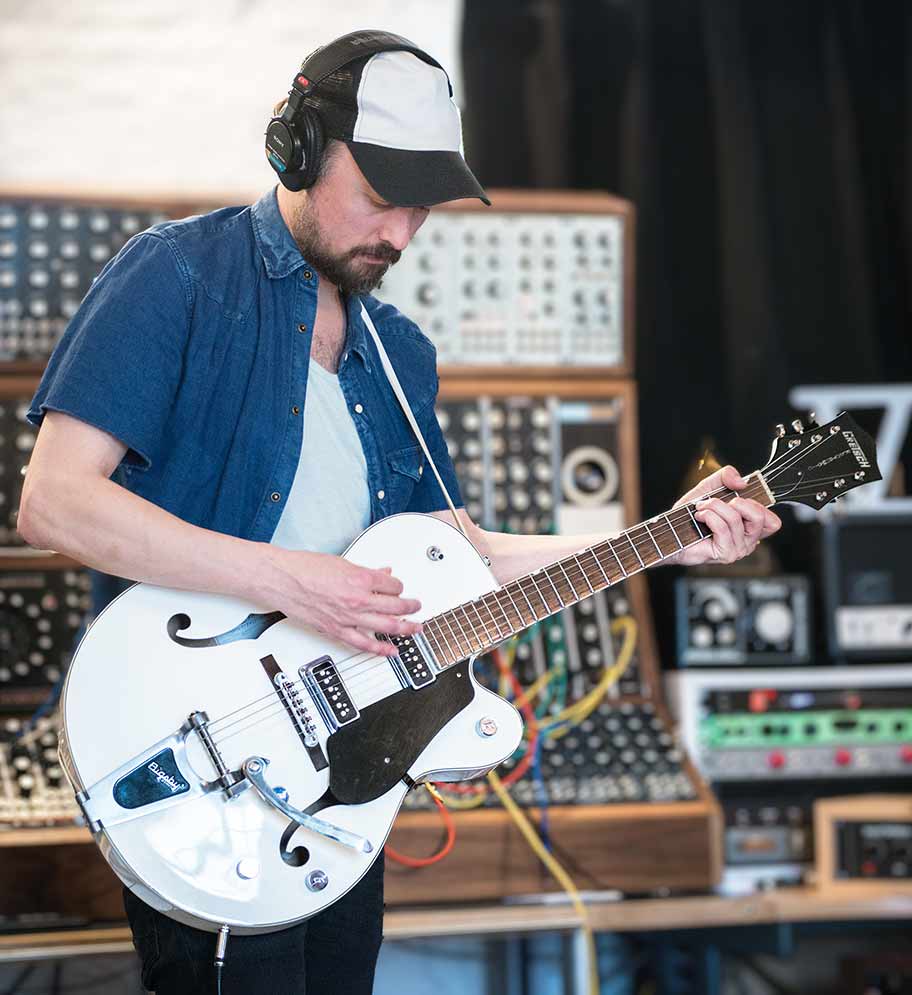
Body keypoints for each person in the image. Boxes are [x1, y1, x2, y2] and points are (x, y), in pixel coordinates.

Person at [17, 29, 779, 995]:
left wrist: (665, 538)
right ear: (296, 150)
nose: (400, 233)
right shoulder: (174, 277)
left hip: (343, 785)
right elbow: (54, 501)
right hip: (205, 747)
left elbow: (453, 556)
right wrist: (292, 579)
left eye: (421, 206)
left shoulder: (399, 351)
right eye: (381, 195)